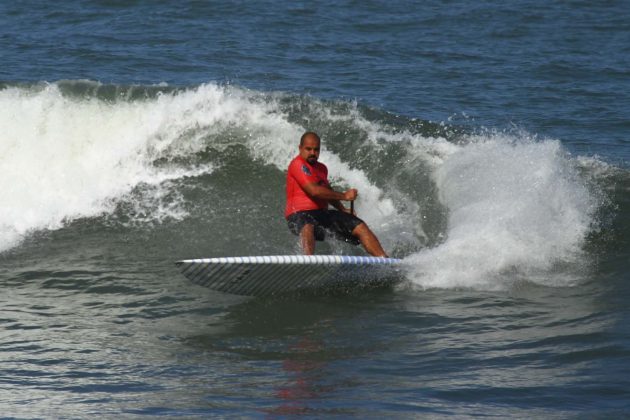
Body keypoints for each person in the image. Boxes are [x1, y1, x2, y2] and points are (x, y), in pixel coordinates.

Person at [285, 131, 388, 257]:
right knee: (307, 225)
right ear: (300, 148)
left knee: (359, 225)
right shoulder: (297, 164)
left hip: (322, 216)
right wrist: (344, 196)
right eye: (308, 149)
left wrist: (342, 208)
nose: (313, 153)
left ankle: (385, 261)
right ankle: (308, 261)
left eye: (316, 150)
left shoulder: (322, 169)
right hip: (298, 215)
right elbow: (314, 191)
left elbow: (326, 191)